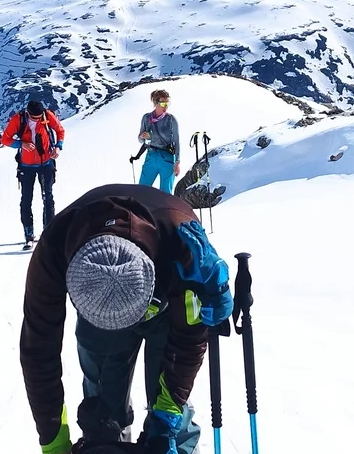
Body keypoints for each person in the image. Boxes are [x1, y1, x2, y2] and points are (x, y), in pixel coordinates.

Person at [20, 183, 233, 454]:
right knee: (102, 413)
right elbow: (39, 353)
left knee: (172, 417)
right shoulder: (53, 250)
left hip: (168, 305)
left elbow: (189, 340)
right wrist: (53, 441)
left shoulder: (183, 246)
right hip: (99, 310)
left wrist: (168, 409)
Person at [3, 99, 66, 249]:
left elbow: (60, 130)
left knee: (48, 198)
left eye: (39, 118)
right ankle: (29, 236)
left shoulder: (47, 115)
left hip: (46, 163)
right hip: (27, 165)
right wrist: (21, 144)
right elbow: (5, 139)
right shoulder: (19, 119)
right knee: (26, 199)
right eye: (34, 118)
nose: (37, 120)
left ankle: (49, 233)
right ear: (28, 113)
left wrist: (58, 146)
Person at [136, 90, 181, 193]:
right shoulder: (146, 118)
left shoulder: (171, 120)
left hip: (167, 158)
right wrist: (142, 136)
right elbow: (140, 140)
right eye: (163, 103)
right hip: (151, 155)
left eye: (167, 103)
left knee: (166, 193)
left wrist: (177, 162)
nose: (166, 106)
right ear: (155, 103)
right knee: (142, 190)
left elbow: (177, 141)